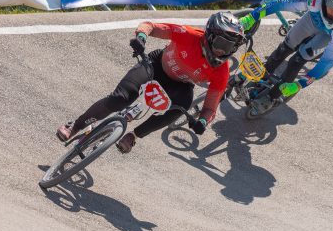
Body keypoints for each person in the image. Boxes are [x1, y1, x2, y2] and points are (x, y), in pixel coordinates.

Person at [57, 12, 246, 153]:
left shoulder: (222, 71)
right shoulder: (189, 34)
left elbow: (210, 107)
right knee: (120, 99)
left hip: (180, 86)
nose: (224, 51)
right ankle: (76, 126)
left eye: (231, 47)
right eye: (222, 44)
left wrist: (202, 121)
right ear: (210, 35)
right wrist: (141, 37)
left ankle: (134, 135)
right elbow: (150, 26)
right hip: (156, 66)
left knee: (180, 108)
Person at [238, 0, 333, 101]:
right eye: (330, 7)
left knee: (296, 61)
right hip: (312, 21)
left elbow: (327, 62)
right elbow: (280, 3)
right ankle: (261, 78)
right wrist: (252, 17)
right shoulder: (315, 0)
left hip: (328, 34)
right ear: (323, 0)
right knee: (283, 48)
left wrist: (299, 85)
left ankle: (272, 97)